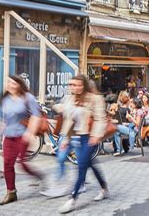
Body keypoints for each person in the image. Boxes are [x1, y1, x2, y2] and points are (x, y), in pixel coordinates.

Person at [59, 75, 109, 214]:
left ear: (84, 85)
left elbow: (100, 118)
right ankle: (104, 188)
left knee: (81, 166)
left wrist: (96, 135)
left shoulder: (94, 98)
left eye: (78, 85)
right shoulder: (70, 99)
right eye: (73, 85)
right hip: (78, 136)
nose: (75, 87)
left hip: (90, 137)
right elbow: (68, 120)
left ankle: (72, 199)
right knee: (89, 164)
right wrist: (65, 139)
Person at [0, 75, 45, 205]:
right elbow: (4, 118)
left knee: (22, 164)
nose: (10, 85)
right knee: (7, 164)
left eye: (13, 83)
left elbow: (36, 115)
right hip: (8, 136)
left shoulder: (27, 98)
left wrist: (29, 133)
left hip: (22, 135)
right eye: (8, 82)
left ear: (19, 84)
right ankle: (11, 192)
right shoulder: (5, 99)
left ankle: (40, 176)